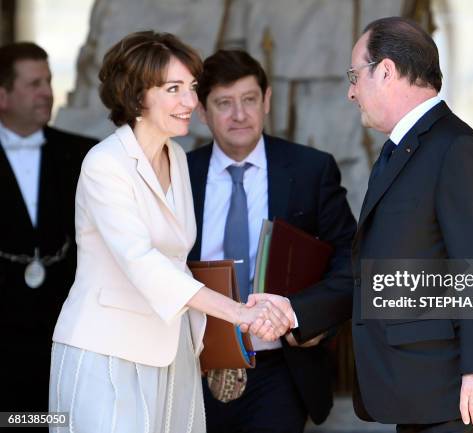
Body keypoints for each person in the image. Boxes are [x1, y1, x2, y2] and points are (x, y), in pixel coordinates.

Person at [49, 31, 293, 433]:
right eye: (174, 89)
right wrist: (237, 313)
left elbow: (176, 260)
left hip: (173, 350)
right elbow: (141, 262)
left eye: (192, 88)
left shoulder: (176, 157)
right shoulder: (104, 163)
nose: (190, 102)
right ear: (137, 95)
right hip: (109, 351)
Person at [347, 17, 473, 433]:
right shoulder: (403, 149)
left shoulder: (454, 147)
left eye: (355, 75)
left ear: (387, 71)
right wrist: (300, 312)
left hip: (463, 395)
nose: (351, 91)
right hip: (424, 392)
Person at [187, 49, 356, 432]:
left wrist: (310, 320)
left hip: (280, 368)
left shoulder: (311, 170)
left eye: (249, 100)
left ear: (266, 100)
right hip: (193, 365)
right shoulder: (180, 174)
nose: (239, 114)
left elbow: (349, 258)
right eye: (224, 103)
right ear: (201, 110)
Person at [0, 42, 96, 413]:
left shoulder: (85, 156)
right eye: (34, 83)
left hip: (65, 337)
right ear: (3, 95)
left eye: (48, 81)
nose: (46, 92)